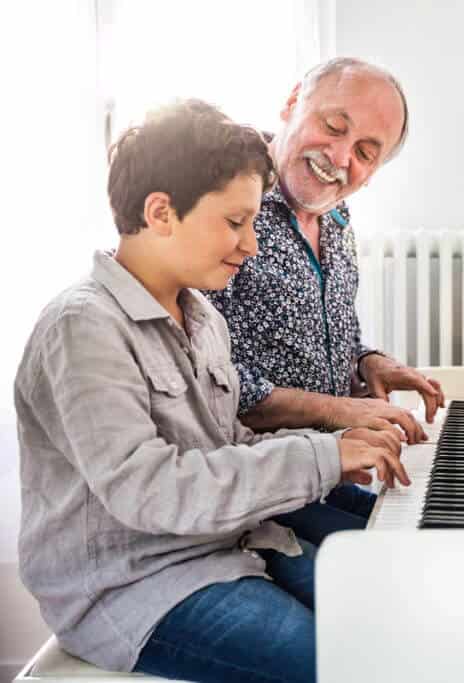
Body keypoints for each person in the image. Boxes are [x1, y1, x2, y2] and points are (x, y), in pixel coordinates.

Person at [15, 100, 406, 682]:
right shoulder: (84, 329)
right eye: (234, 222)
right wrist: (319, 456)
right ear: (161, 212)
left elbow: (231, 438)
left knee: (388, 617)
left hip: (225, 543)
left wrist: (336, 447)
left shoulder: (201, 317)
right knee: (345, 665)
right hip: (136, 586)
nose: (249, 244)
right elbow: (148, 490)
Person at [205, 59, 447, 538]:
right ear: (293, 102)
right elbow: (208, 384)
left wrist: (366, 362)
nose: (339, 158)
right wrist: (338, 409)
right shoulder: (224, 202)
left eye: (365, 152)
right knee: (376, 586)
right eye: (333, 126)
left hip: (323, 470)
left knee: (427, 543)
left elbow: (332, 328)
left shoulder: (337, 217)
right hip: (248, 485)